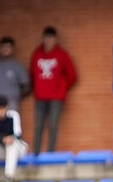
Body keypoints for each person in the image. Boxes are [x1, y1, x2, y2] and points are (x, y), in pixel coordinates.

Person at [30, 26, 78, 155]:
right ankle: (36, 154)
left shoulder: (61, 54)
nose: (49, 41)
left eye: (51, 38)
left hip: (56, 98)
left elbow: (72, 75)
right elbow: (32, 74)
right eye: (47, 37)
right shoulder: (37, 54)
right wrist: (37, 88)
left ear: (55, 39)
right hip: (40, 97)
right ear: (43, 38)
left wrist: (61, 87)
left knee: (52, 126)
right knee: (38, 126)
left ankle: (50, 154)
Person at [0, 36, 29, 113]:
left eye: (8, 47)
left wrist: (16, 95)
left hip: (10, 103)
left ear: (12, 49)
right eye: (3, 46)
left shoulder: (18, 66)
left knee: (13, 123)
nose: (5, 49)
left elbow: (26, 86)